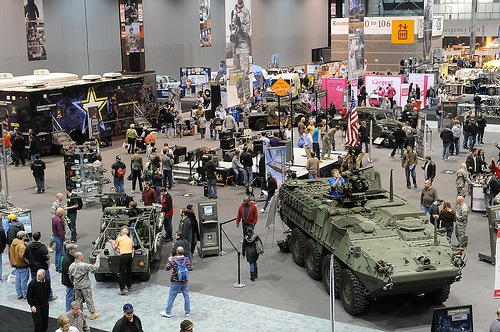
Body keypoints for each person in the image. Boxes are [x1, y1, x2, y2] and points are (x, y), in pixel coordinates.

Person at [23, 231, 57, 301]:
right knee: (47, 283)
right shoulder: (43, 247)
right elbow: (47, 258)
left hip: (33, 269)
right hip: (43, 269)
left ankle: (37, 296)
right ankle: (49, 296)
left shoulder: (28, 247)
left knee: (35, 283)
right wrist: (48, 265)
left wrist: (30, 263)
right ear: (40, 238)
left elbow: (25, 257)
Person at [68, 252, 100, 320]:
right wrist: (98, 259)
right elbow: (95, 267)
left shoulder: (71, 266)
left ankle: (79, 313)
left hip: (76, 286)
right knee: (88, 299)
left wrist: (74, 283)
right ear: (79, 257)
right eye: (82, 256)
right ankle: (92, 313)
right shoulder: (84, 265)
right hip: (85, 286)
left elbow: (70, 277)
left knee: (78, 300)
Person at [161, 246, 191, 318]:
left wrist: (170, 260)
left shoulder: (174, 261)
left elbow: (167, 268)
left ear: (177, 253)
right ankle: (187, 312)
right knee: (186, 296)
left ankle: (168, 312)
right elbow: (188, 267)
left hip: (176, 282)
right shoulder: (187, 260)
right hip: (185, 282)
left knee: (171, 297)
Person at [109, 228, 134, 295]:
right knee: (129, 271)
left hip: (123, 256)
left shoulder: (119, 239)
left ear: (122, 233)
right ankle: (129, 286)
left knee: (122, 272)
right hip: (130, 256)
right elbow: (132, 245)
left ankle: (122, 289)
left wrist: (112, 243)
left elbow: (115, 248)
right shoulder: (130, 239)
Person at [10, 230, 29, 299]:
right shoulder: (21, 246)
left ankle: (19, 294)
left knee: (18, 280)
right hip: (22, 265)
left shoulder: (13, 243)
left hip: (16, 265)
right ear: (23, 237)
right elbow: (22, 256)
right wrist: (28, 262)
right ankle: (25, 294)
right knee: (24, 281)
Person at [62, 243, 77, 312]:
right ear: (70, 250)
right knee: (69, 295)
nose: (75, 250)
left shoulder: (70, 257)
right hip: (69, 281)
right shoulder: (67, 260)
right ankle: (68, 310)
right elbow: (67, 271)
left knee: (71, 294)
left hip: (70, 280)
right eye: (74, 249)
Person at [52, 207, 66, 273]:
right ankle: (60, 268)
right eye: (63, 212)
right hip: (59, 238)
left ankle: (57, 265)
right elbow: (60, 231)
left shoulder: (54, 218)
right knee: (60, 253)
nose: (64, 213)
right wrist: (63, 240)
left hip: (55, 236)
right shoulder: (59, 221)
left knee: (57, 252)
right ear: (60, 213)